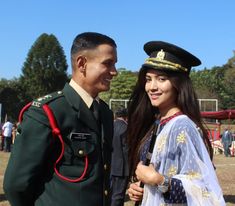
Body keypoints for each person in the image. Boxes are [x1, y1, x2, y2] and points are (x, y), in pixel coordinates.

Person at [4, 32, 118, 206]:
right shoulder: (47, 112)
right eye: (108, 63)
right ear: (82, 64)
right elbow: (16, 185)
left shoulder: (104, 112)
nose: (114, 72)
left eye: (114, 64)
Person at [127, 41, 225, 205]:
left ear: (177, 84)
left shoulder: (182, 126)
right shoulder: (157, 123)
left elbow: (204, 188)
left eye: (162, 79)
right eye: (148, 79)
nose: (152, 87)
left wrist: (158, 180)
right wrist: (141, 187)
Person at [111, 108, 129, 206]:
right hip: (122, 167)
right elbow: (127, 150)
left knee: (112, 193)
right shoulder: (125, 128)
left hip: (111, 165)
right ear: (126, 117)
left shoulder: (110, 125)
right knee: (119, 195)